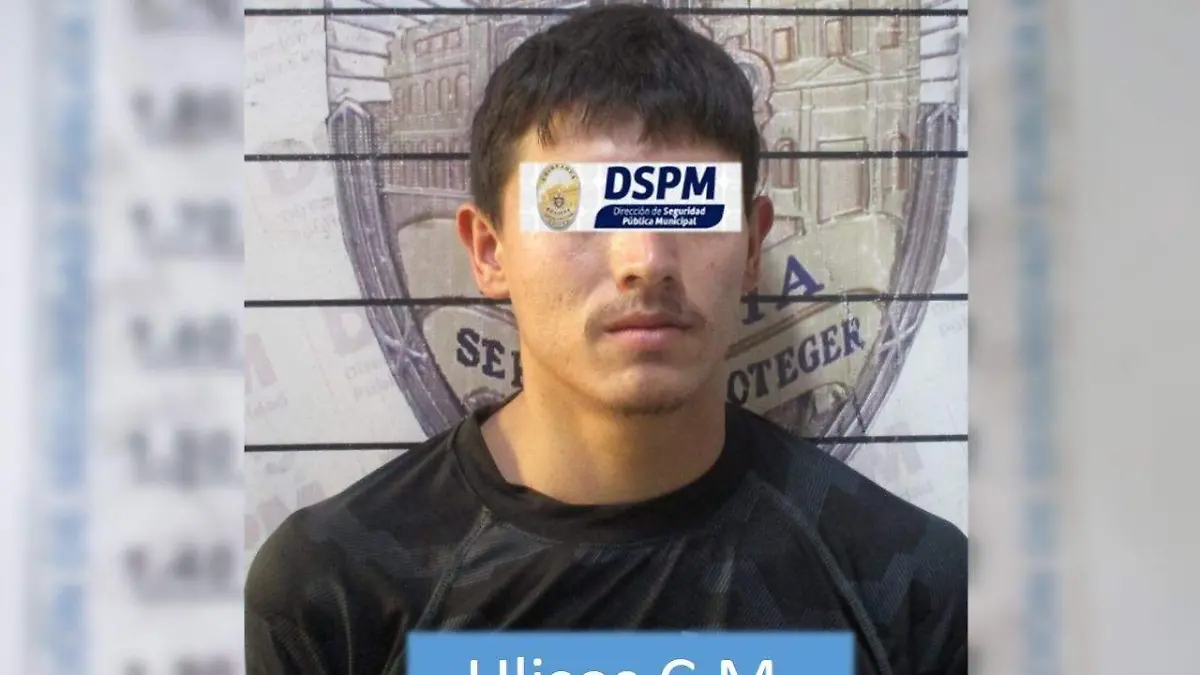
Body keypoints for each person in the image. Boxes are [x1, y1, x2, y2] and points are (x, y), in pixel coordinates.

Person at [245, 5, 967, 675]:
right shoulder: (336, 592)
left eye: (688, 204)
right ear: (490, 251)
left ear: (752, 246)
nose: (644, 259)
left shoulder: (912, 589)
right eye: (579, 209)